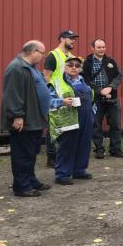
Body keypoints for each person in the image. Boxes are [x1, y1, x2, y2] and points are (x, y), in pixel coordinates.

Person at [1, 41, 51, 197]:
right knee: (22, 154)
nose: (43, 56)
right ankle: (22, 186)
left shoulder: (30, 68)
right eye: (42, 53)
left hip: (35, 119)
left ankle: (31, 179)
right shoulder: (16, 68)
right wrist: (17, 115)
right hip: (25, 120)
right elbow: (12, 94)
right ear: (32, 51)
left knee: (31, 152)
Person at [48, 56, 94, 184]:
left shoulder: (83, 80)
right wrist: (61, 102)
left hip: (86, 117)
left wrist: (93, 112)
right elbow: (47, 101)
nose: (74, 67)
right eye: (70, 64)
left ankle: (79, 171)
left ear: (80, 69)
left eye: (77, 65)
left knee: (84, 145)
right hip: (68, 120)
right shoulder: (56, 82)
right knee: (67, 147)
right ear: (64, 67)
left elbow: (91, 97)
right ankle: (62, 174)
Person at [82, 38, 123, 159]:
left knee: (115, 124)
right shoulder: (87, 63)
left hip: (112, 97)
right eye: (99, 47)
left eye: (103, 47)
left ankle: (115, 149)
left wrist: (111, 87)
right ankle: (99, 149)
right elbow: (86, 80)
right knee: (96, 125)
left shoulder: (110, 61)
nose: (102, 49)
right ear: (93, 48)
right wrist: (100, 90)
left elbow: (118, 76)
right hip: (96, 98)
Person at [42, 30, 79, 167]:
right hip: (55, 97)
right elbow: (46, 76)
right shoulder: (53, 56)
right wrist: (47, 96)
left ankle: (64, 155)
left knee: (67, 126)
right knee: (53, 127)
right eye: (70, 38)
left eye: (74, 38)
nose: (73, 41)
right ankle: (51, 157)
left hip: (69, 98)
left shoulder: (71, 57)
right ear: (62, 39)